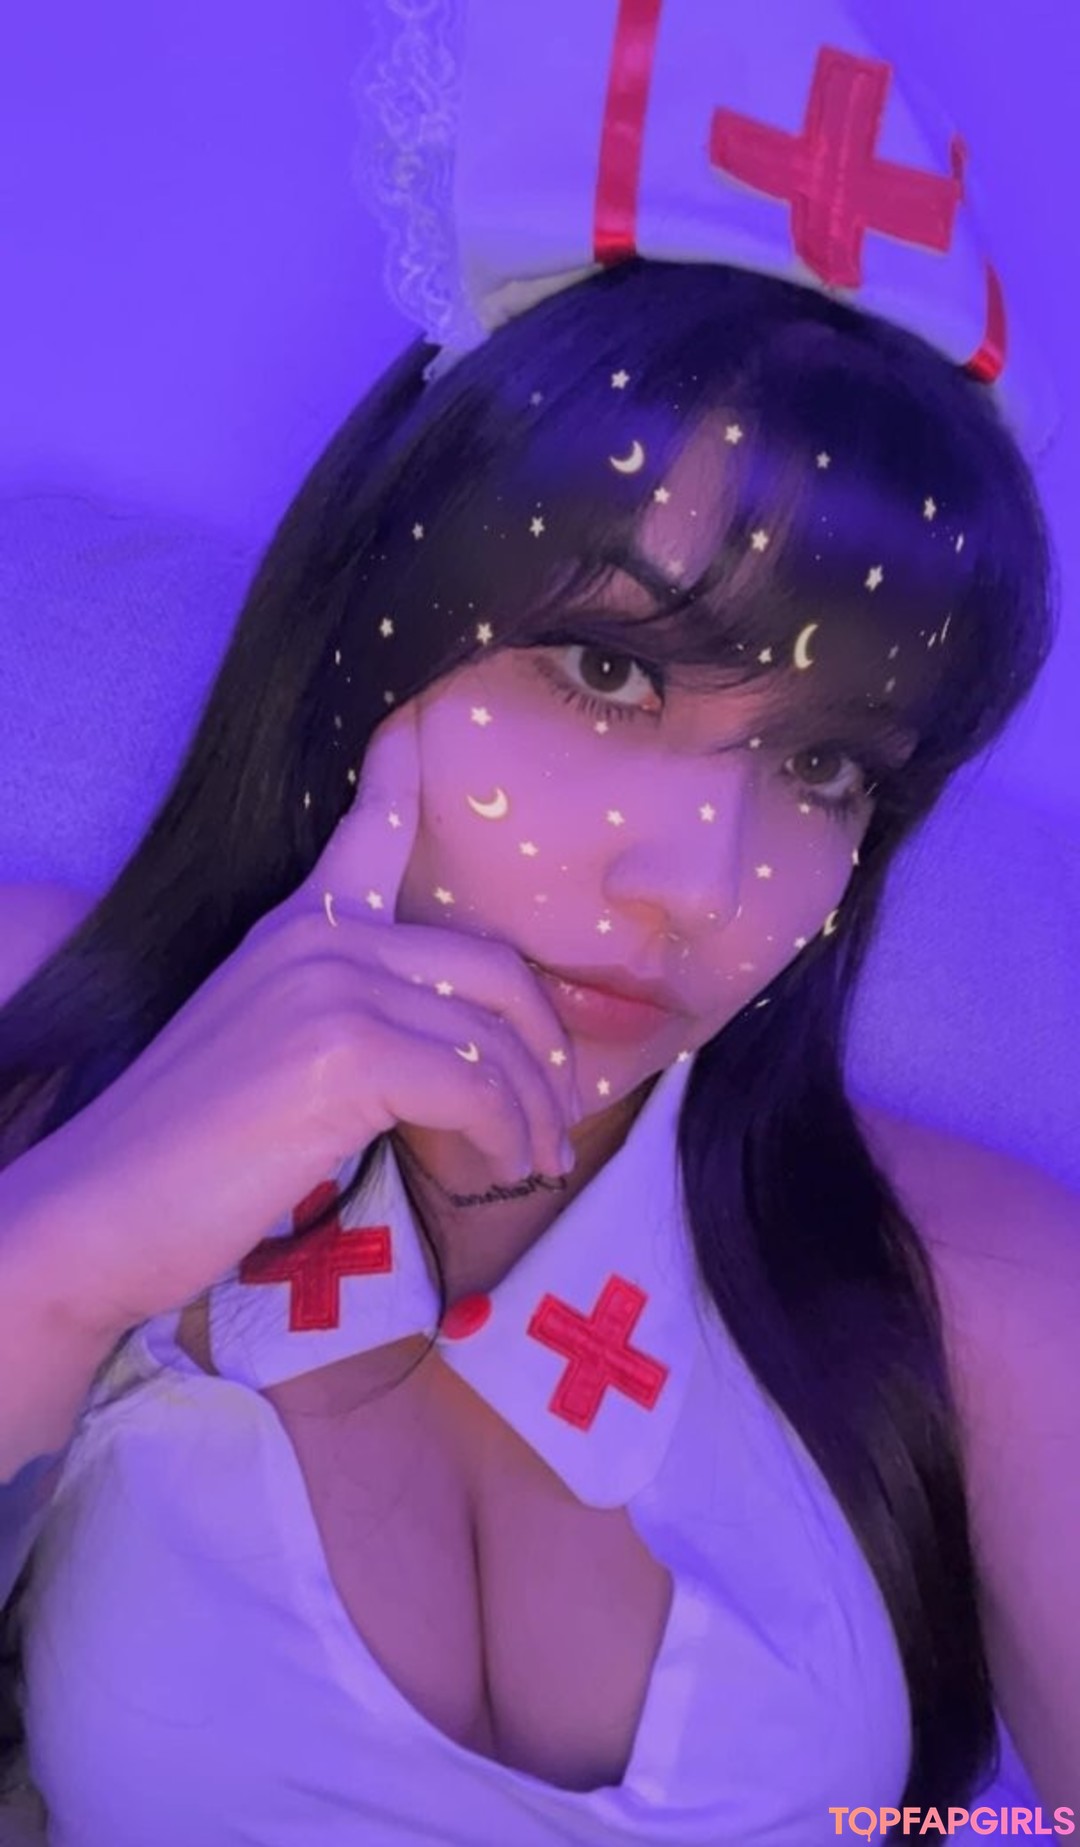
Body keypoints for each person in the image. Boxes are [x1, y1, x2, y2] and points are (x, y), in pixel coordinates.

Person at [0, 2, 1075, 1841]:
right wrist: (63, 1265)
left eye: (824, 766)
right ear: (365, 627)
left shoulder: (977, 1289)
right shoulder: (44, 1008)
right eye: (607, 670)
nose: (700, 884)